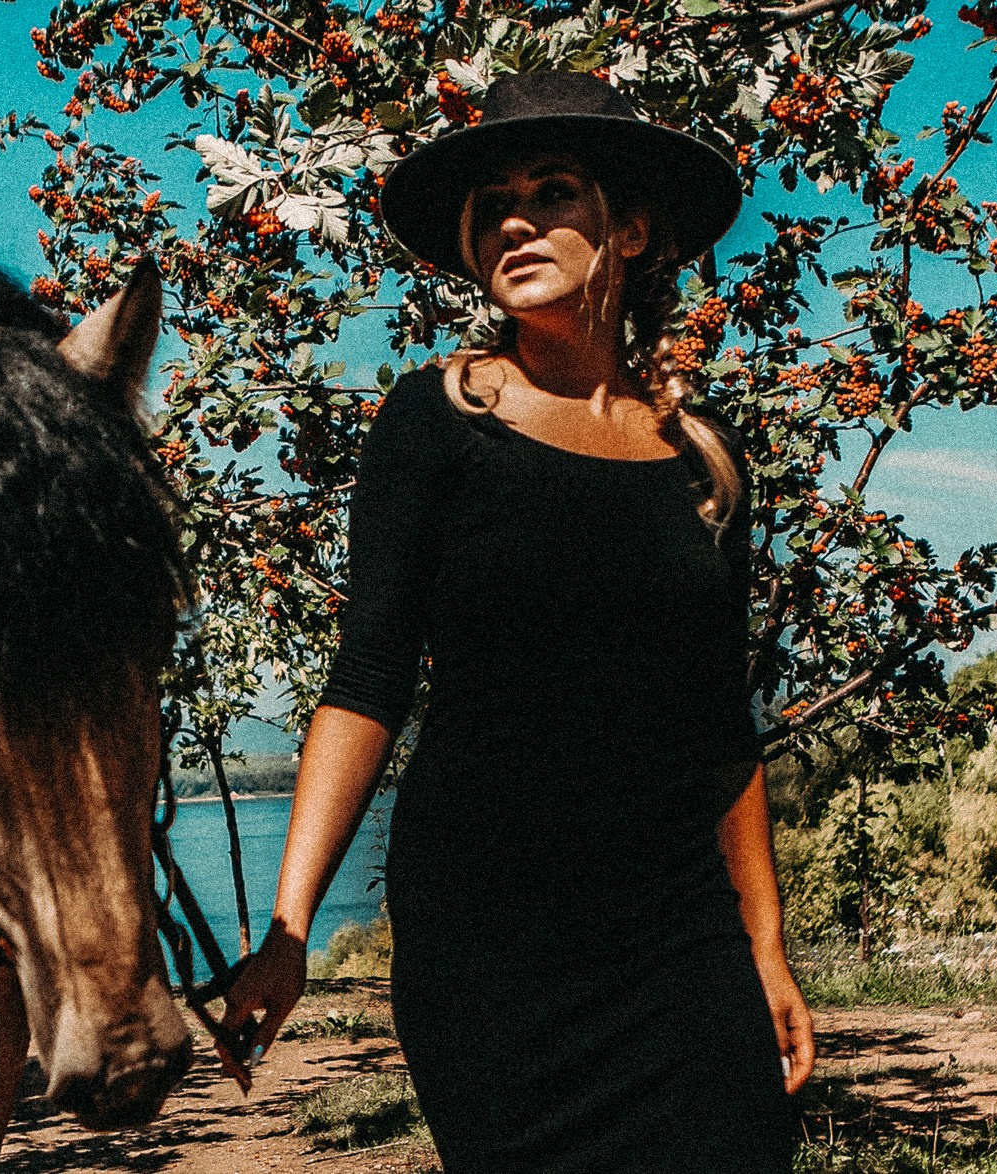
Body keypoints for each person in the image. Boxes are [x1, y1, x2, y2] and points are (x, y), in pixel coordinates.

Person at [221, 71, 814, 1173]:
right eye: (494, 200)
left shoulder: (706, 457)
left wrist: (766, 945)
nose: (514, 219)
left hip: (677, 931)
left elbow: (717, 721)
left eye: (552, 191)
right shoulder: (437, 421)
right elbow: (367, 678)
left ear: (628, 230)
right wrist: (291, 927)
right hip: (490, 939)